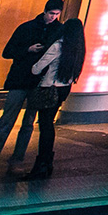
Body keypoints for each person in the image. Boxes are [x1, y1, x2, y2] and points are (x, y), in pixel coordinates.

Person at [0, 0, 64, 181]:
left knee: (24, 123)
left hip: (32, 81)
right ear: (45, 11)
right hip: (26, 80)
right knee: (12, 121)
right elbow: (7, 51)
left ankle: (7, 161)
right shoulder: (30, 28)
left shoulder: (48, 29)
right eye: (51, 14)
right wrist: (28, 50)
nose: (53, 17)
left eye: (56, 14)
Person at [19, 18, 83, 181]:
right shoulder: (78, 49)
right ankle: (46, 163)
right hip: (64, 88)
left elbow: (37, 68)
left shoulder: (57, 46)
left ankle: (41, 165)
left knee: (45, 126)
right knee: (49, 125)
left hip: (49, 88)